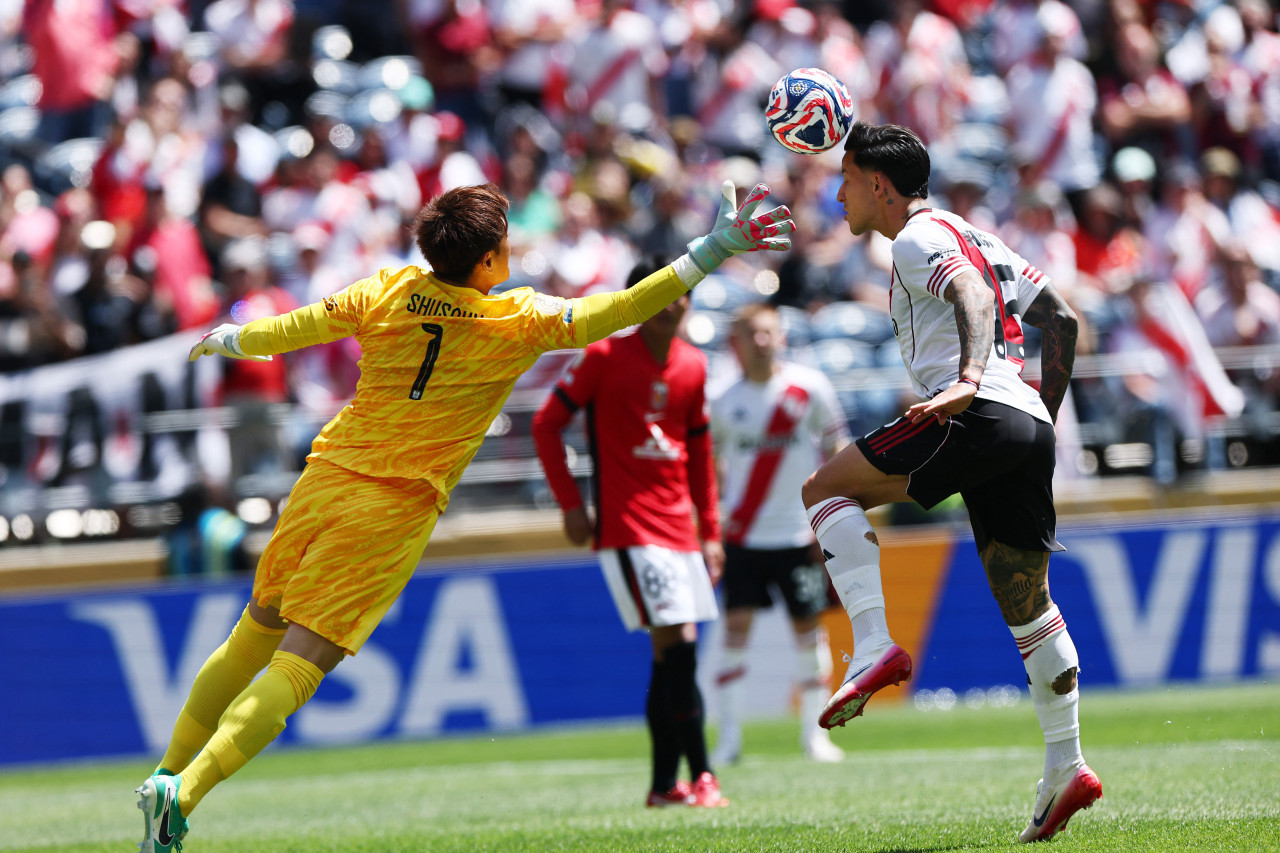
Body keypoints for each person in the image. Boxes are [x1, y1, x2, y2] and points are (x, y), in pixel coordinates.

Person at [135, 181, 793, 851]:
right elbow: (623, 309)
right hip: (391, 505)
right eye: (505, 237)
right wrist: (711, 251)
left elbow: (305, 324)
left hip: (325, 477)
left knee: (255, 630)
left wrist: (235, 338)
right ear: (487, 259)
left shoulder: (388, 288)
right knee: (302, 661)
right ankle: (181, 794)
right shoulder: (517, 320)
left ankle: (164, 769)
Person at [800, 122, 1101, 844]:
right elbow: (1061, 319)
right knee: (1028, 608)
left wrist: (969, 379)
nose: (838, 195)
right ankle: (1067, 762)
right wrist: (1040, 418)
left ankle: (872, 642)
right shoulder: (974, 230)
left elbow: (965, 291)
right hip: (1023, 421)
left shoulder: (914, 237)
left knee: (823, 491)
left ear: (879, 184)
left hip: (977, 407)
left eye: (844, 180)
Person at [531, 252, 728, 810]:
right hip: (629, 526)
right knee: (678, 644)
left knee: (671, 654)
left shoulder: (693, 365)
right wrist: (571, 505)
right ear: (638, 302)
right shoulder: (602, 356)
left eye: (682, 292)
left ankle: (665, 785)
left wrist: (710, 531)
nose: (676, 303)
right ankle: (704, 775)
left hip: (680, 531)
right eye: (662, 293)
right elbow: (547, 424)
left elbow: (700, 456)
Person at [708, 302, 851, 766]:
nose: (762, 341)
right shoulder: (723, 401)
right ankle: (728, 741)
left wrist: (830, 516)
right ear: (737, 343)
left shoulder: (809, 388)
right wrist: (712, 522)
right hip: (744, 538)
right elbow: (708, 467)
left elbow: (838, 449)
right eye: (752, 333)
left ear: (781, 337)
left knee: (808, 635)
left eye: (769, 332)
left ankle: (815, 738)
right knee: (734, 634)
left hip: (800, 538)